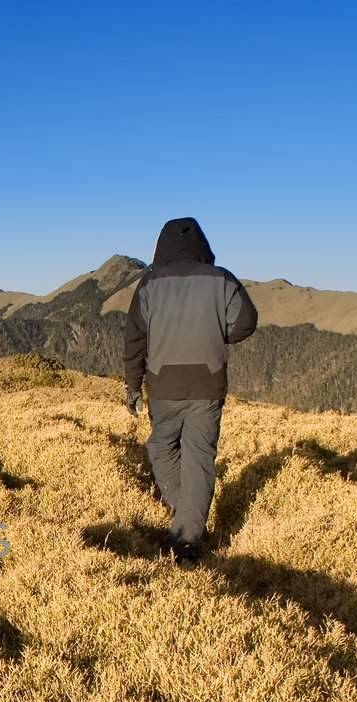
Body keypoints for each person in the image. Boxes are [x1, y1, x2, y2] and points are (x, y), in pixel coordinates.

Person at [123, 217, 257, 561]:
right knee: (199, 457)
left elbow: (134, 339)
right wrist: (218, 332)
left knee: (160, 448)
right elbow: (246, 321)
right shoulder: (222, 279)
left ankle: (185, 538)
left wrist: (133, 386)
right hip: (207, 383)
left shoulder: (150, 283)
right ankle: (190, 524)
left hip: (163, 383)